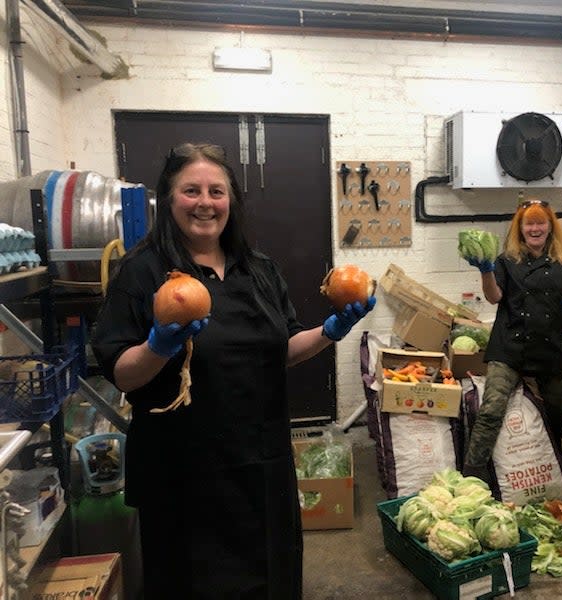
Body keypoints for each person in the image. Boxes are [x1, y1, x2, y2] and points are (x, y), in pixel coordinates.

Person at [91, 142, 375, 599]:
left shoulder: (258, 270)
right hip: (182, 473)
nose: (205, 202)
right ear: (169, 198)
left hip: (260, 465)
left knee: (270, 577)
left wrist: (329, 330)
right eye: (191, 190)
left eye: (216, 191)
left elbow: (280, 349)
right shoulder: (143, 273)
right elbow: (122, 374)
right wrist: (156, 347)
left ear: (231, 202)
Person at [462, 198, 562, 479]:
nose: (535, 228)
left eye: (540, 222)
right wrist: (485, 270)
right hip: (509, 346)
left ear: (549, 227)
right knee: (491, 411)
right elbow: (494, 296)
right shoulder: (506, 261)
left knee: (561, 414)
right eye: (529, 223)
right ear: (520, 228)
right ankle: (473, 474)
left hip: (549, 349)